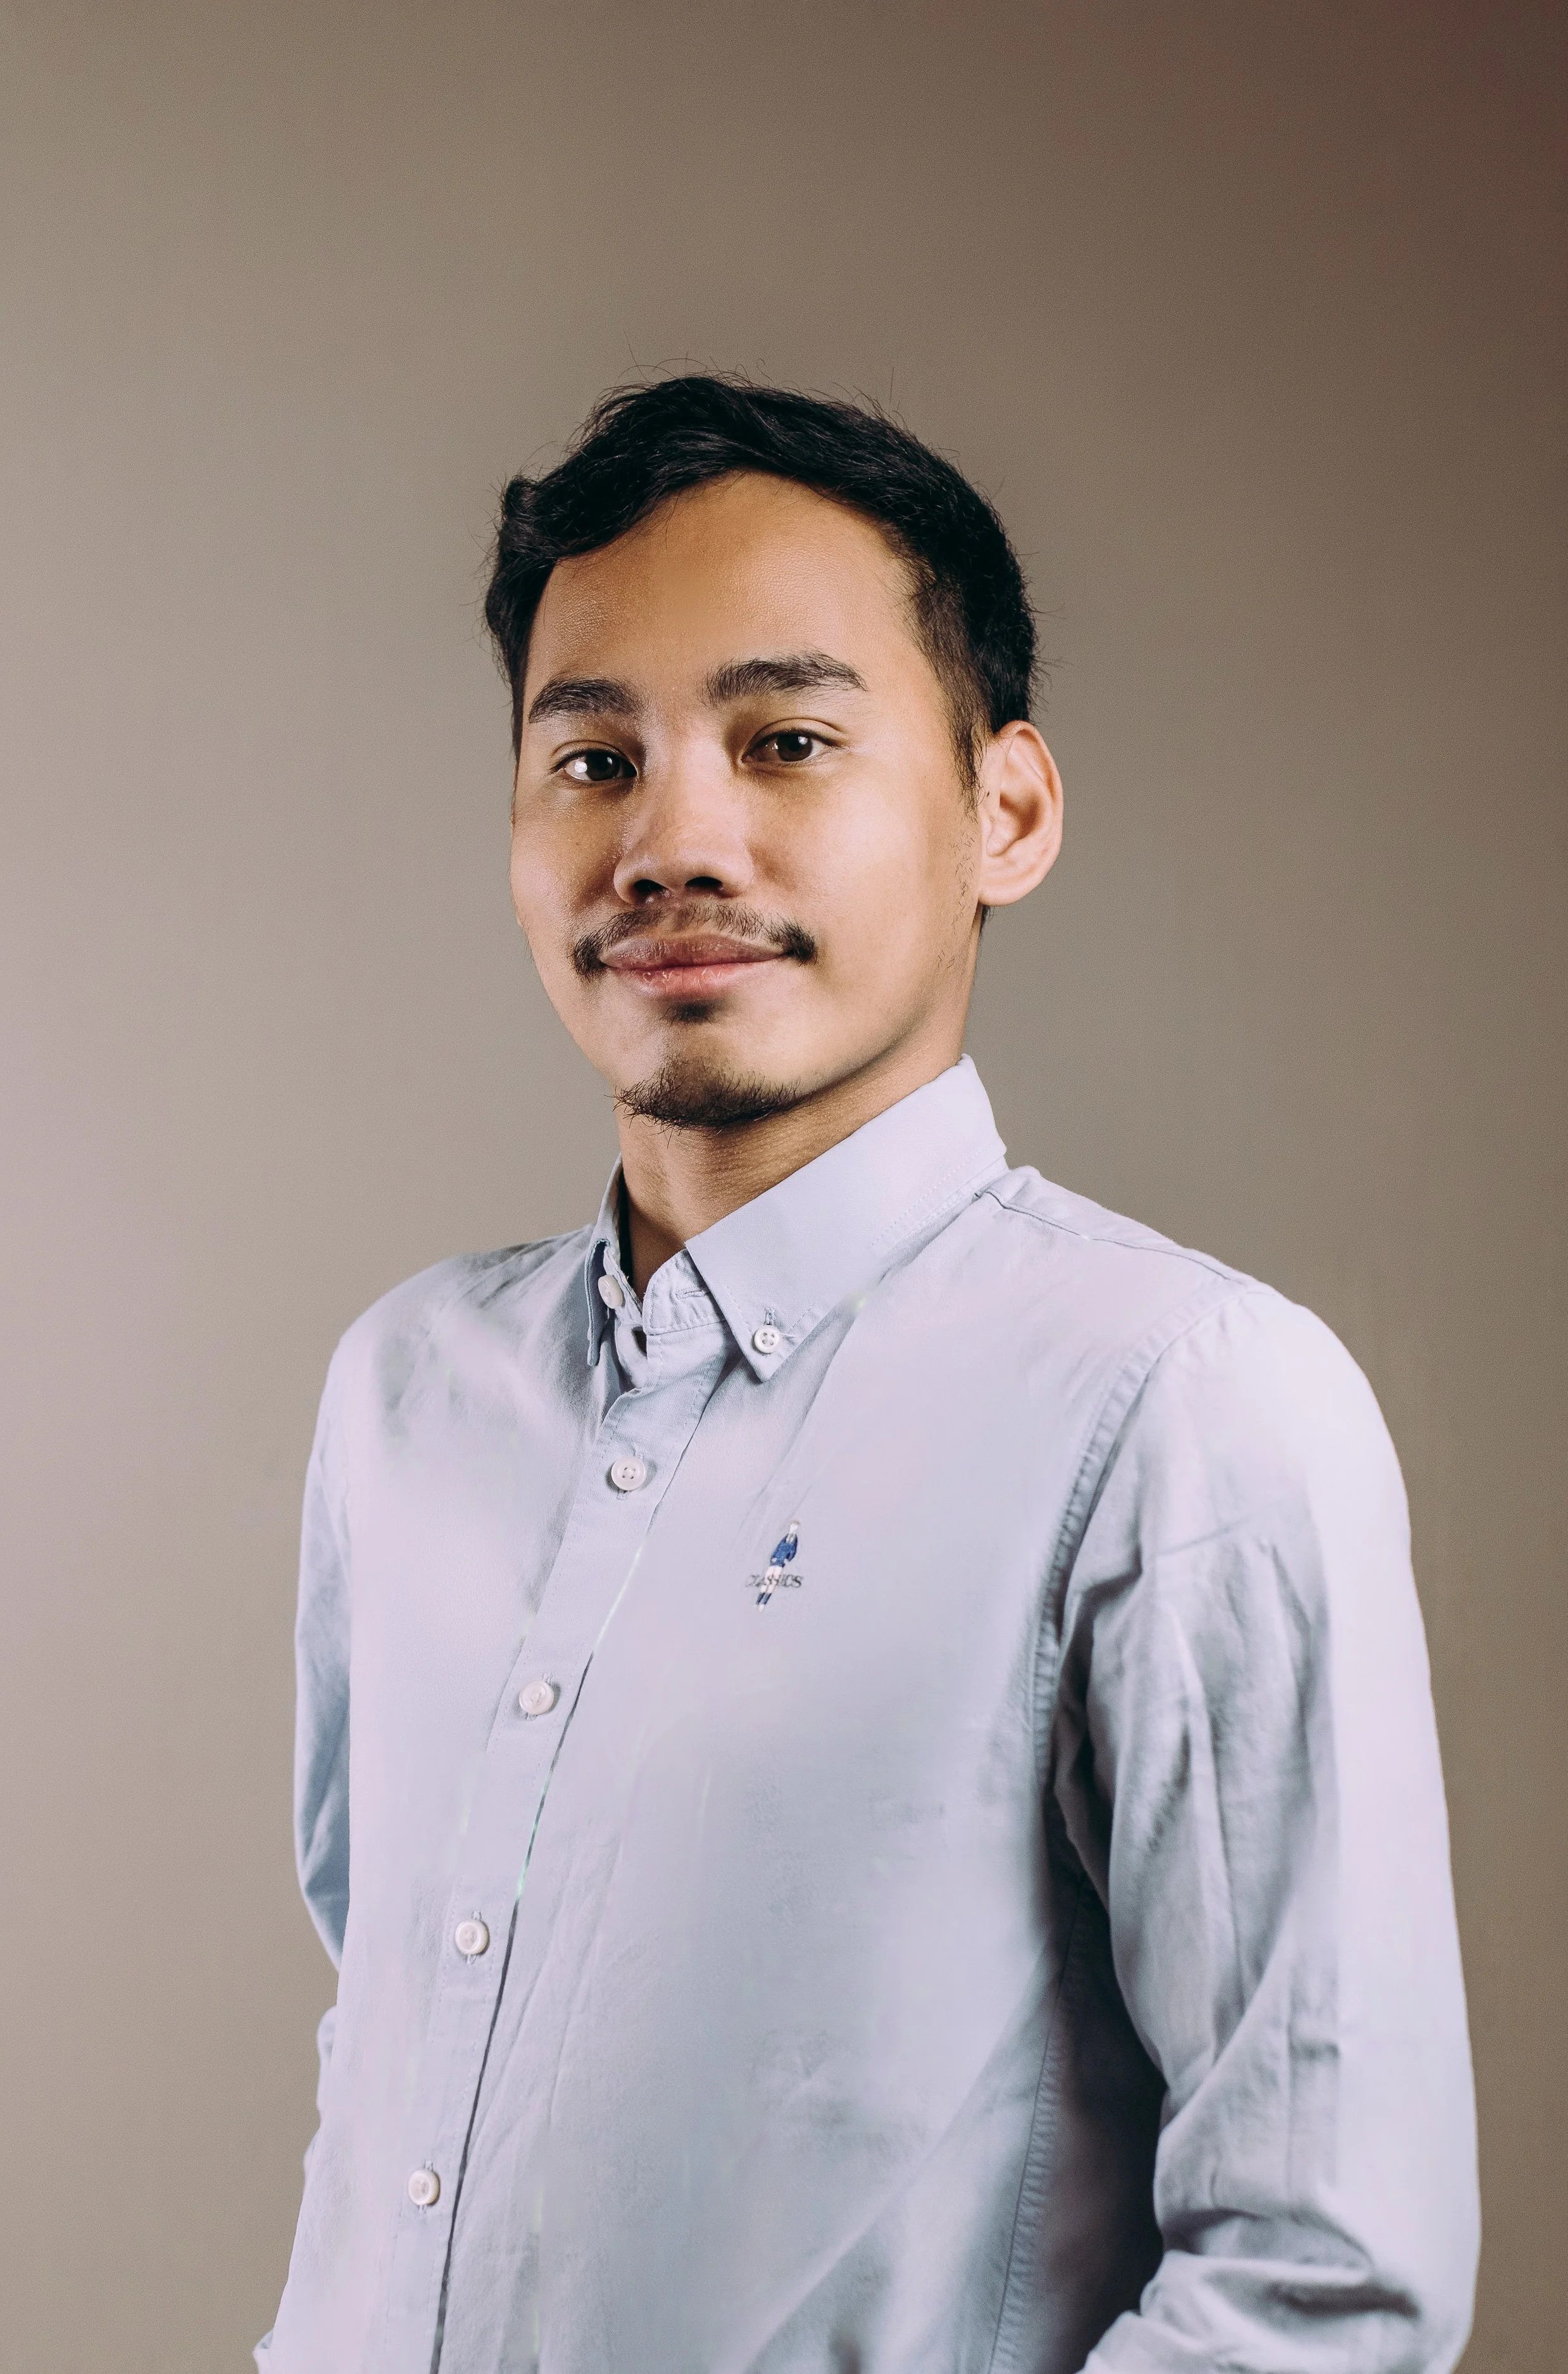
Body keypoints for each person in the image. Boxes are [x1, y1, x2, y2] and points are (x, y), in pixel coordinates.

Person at [258, 377, 1477, 2374]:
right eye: (591, 760)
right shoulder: (410, 1392)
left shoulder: (1177, 1406)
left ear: (1006, 812)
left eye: (787, 741)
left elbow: (1322, 2283)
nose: (670, 842)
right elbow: (398, 2063)